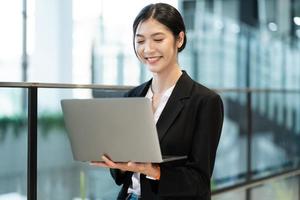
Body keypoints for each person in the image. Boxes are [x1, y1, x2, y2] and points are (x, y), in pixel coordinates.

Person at [91, 3, 224, 200]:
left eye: (158, 39)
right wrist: (115, 162)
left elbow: (199, 182)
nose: (148, 49)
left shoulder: (205, 102)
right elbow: (121, 176)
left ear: (179, 39)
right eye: (140, 40)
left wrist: (154, 171)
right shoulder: (133, 97)